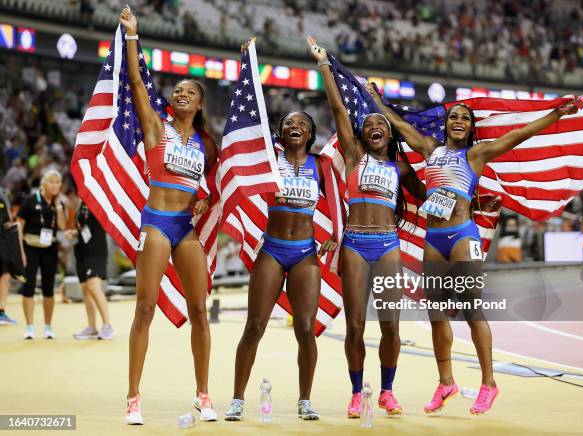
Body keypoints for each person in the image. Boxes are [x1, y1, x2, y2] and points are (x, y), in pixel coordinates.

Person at [368, 84, 578, 414]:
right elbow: (400, 125)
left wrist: (554, 114)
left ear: (470, 127)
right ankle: (446, 382)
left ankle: (489, 383)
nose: (459, 121)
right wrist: (378, 102)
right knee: (436, 312)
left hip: (463, 236)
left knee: (471, 309)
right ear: (447, 122)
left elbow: (517, 136)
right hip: (433, 238)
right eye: (454, 116)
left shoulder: (476, 155)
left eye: (465, 118)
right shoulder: (430, 147)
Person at [308, 36, 426, 418]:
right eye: (370, 123)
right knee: (355, 325)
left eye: (381, 124)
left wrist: (472, 202)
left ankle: (388, 390)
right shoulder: (354, 153)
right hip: (356, 244)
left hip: (388, 245)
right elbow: (338, 108)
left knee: (390, 325)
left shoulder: (400, 168)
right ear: (362, 133)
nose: (375, 126)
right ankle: (357, 392)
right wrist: (324, 64)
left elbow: (433, 198)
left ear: (389, 134)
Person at [225, 39, 337, 423]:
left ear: (310, 135)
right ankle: (237, 398)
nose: (294, 126)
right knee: (254, 325)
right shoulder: (269, 160)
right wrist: (247, 64)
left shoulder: (321, 166)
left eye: (301, 124)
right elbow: (249, 116)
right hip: (272, 250)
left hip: (305, 252)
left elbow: (337, 201)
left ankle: (305, 399)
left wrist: (335, 231)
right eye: (288, 123)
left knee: (306, 328)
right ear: (280, 133)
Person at [119, 7, 219, 425]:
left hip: (186, 229)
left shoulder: (206, 144)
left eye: (189, 92)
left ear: (199, 104)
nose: (180, 95)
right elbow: (139, 82)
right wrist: (132, 37)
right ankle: (133, 398)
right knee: (145, 308)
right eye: (176, 90)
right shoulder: (156, 128)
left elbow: (213, 187)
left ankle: (203, 394)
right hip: (157, 222)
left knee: (199, 309)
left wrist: (201, 199)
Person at [17, 170, 66, 339]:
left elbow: (62, 226)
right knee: (28, 286)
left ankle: (48, 326)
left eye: (57, 182)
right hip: (30, 246)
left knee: (48, 288)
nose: (55, 185)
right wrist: (20, 251)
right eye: (51, 181)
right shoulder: (30, 200)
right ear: (44, 184)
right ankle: (30, 327)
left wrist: (59, 205)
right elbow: (19, 225)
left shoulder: (57, 203)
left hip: (49, 247)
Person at [67, 200, 115, 340]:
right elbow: (83, 227)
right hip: (81, 252)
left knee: (94, 288)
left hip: (95, 252)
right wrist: (73, 233)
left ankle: (107, 326)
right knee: (86, 291)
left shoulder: (98, 200)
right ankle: (92, 327)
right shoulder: (81, 205)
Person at [0, 187, 19, 325]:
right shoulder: (2, 194)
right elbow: (8, 221)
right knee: (5, 275)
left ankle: (1, 312)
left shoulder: (2, 193)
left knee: (5, 274)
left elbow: (8, 220)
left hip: (2, 241)